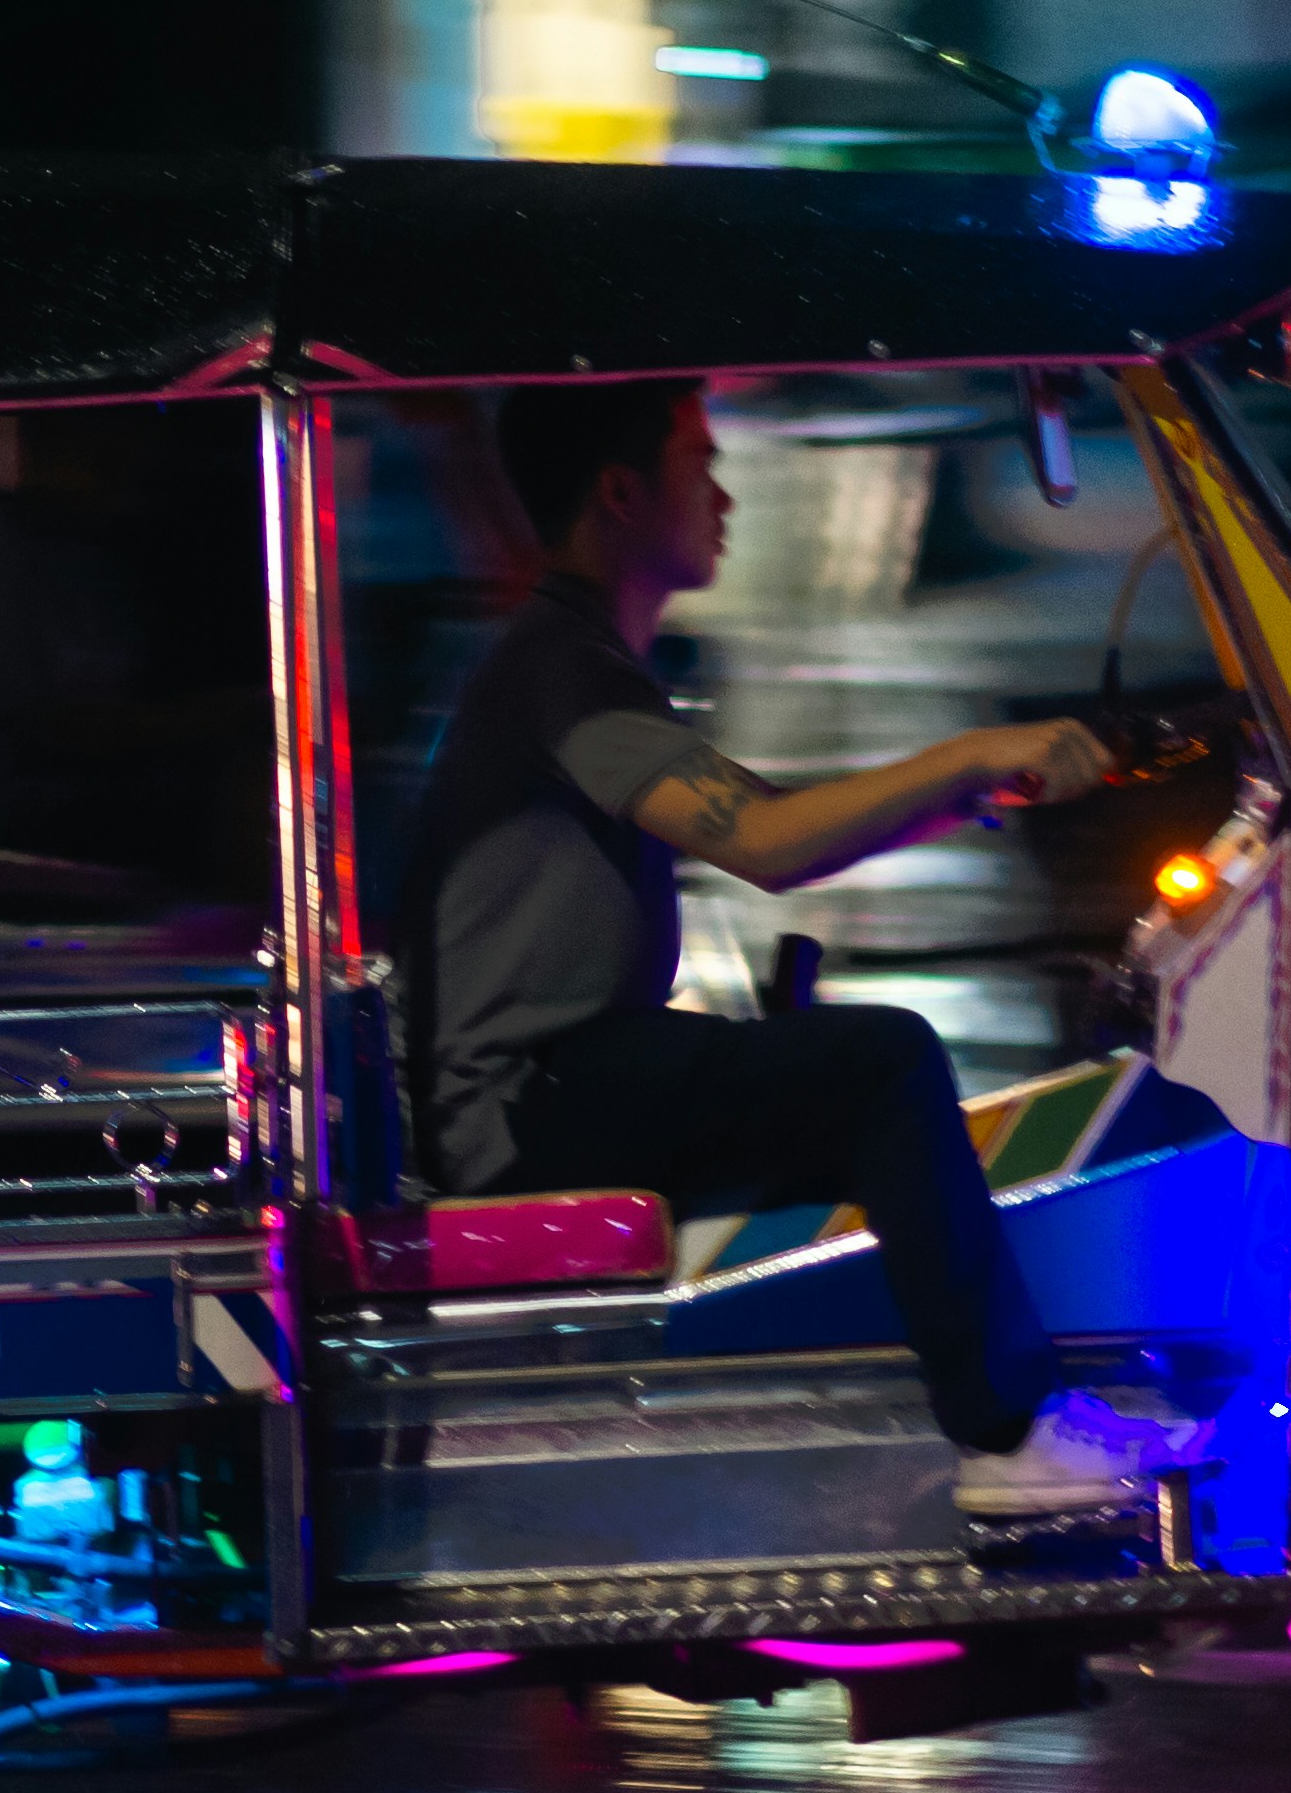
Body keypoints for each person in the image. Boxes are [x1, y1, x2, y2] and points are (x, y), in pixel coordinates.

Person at [403, 378, 1163, 1521]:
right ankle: (1008, 1434)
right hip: (525, 1107)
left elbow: (780, 826)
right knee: (880, 1061)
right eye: (697, 461)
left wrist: (970, 791)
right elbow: (766, 838)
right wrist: (970, 755)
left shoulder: (573, 659)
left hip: (559, 1086)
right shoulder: (565, 674)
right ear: (620, 492)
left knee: (868, 1103)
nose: (722, 494)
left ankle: (973, 1414)